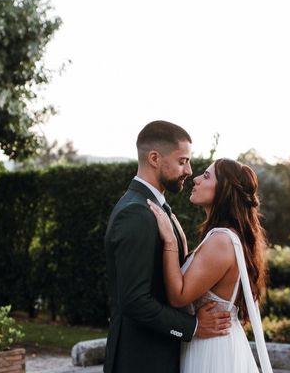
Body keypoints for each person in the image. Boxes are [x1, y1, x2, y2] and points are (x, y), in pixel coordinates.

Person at [104, 120, 232, 373]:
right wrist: (192, 326)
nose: (188, 170)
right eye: (182, 161)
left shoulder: (155, 207)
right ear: (154, 158)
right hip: (141, 360)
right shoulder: (136, 213)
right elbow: (134, 300)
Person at [147, 158, 273, 373]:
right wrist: (184, 246)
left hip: (213, 350)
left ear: (224, 190)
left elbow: (179, 296)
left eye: (206, 176)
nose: (195, 179)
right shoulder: (223, 237)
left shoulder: (221, 240)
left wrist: (169, 242)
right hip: (213, 342)